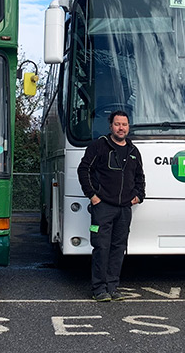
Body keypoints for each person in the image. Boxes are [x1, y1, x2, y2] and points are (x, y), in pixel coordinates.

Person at [78, 110, 146, 302]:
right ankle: (99, 289)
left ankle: (112, 287)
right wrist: (92, 195)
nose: (121, 128)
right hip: (103, 208)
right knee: (101, 247)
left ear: (128, 127)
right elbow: (84, 169)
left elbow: (139, 177)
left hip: (124, 209)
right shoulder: (99, 146)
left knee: (118, 248)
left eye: (124, 124)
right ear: (110, 126)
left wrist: (139, 196)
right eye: (117, 124)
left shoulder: (133, 151)